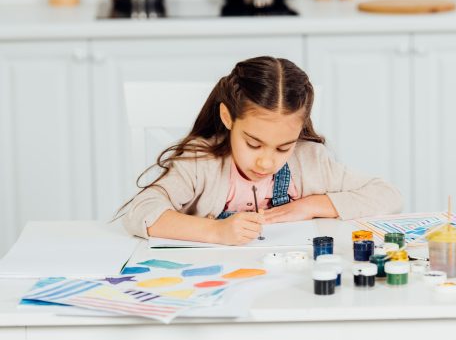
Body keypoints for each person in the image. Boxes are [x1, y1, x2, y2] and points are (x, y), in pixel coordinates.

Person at [116, 56, 403, 245]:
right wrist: (216, 231)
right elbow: (140, 212)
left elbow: (388, 195)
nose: (266, 162)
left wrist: (310, 205)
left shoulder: (310, 160)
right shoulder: (200, 161)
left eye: (283, 147)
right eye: (253, 144)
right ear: (228, 118)